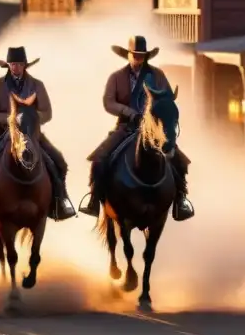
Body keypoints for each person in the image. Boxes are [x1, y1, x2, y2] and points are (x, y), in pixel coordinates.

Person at [78, 35, 194, 221]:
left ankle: (181, 200)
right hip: (126, 127)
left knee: (180, 162)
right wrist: (130, 113)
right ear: (129, 55)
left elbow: (167, 99)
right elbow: (109, 102)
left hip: (154, 129)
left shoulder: (157, 75)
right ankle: (93, 199)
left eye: (142, 56)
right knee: (99, 159)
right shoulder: (116, 77)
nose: (139, 59)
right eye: (136, 55)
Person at [0, 46, 77, 221]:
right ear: (8, 65)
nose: (16, 67)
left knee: (59, 162)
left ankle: (61, 201)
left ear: (25, 65)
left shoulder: (37, 85)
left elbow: (47, 112)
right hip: (2, 133)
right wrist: (6, 118)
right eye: (13, 64)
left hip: (31, 134)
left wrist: (27, 118)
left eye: (19, 64)